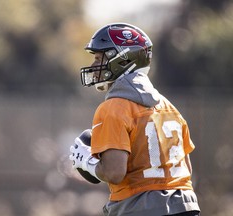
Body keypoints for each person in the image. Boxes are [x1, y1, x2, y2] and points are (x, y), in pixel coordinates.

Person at [69, 23, 200, 216]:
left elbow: (114, 173)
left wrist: (86, 161)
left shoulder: (113, 108)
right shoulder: (169, 107)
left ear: (122, 59)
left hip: (139, 208)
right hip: (187, 207)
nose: (94, 66)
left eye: (99, 58)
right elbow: (186, 170)